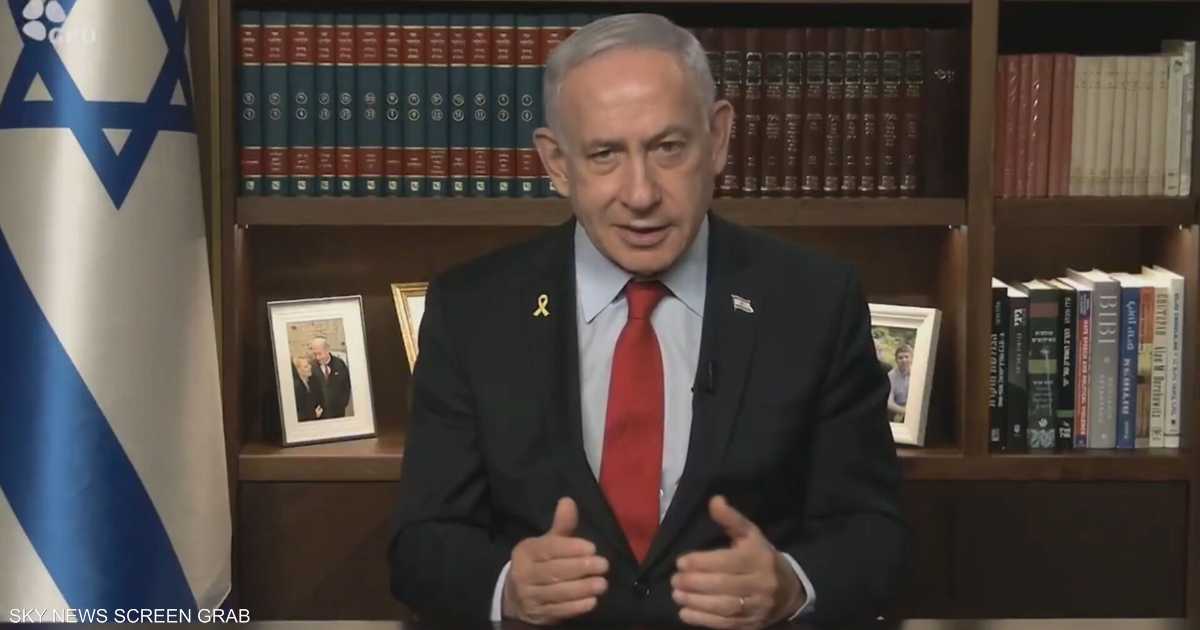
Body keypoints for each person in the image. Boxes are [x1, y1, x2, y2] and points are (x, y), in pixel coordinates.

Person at [388, 13, 907, 629]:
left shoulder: (815, 301)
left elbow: (875, 535)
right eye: (605, 154)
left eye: (668, 148)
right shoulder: (472, 310)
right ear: (557, 164)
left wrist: (792, 584)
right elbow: (421, 545)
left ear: (717, 139)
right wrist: (506, 587)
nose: (641, 195)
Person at [308, 337, 351, 419]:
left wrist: (343, 403)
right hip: (320, 414)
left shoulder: (339, 364)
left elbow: (346, 385)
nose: (317, 357)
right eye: (315, 354)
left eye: (320, 354)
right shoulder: (311, 366)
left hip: (338, 412)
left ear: (327, 350)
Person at [292, 356, 324, 422]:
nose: (310, 367)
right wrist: (313, 415)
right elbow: (296, 415)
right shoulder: (295, 388)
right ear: (298, 370)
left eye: (309, 364)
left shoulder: (313, 381)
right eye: (306, 366)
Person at [887, 344, 913, 422]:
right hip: (897, 409)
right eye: (900, 358)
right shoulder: (890, 376)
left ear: (911, 358)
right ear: (896, 360)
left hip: (914, 408)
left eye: (906, 357)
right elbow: (889, 403)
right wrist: (905, 412)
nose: (904, 360)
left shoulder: (919, 374)